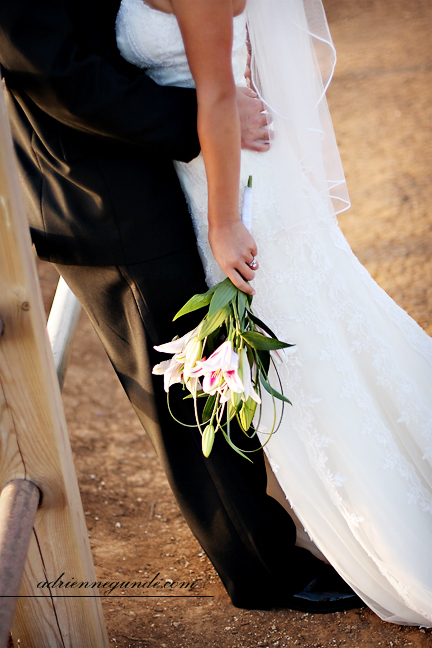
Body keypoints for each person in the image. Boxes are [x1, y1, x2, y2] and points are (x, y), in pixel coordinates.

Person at [0, 0, 361, 614]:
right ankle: (263, 568)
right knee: (185, 382)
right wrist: (190, 114)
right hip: (100, 187)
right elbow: (53, 71)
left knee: (212, 359)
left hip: (146, 159)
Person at [115, 0, 432, 626]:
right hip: (215, 162)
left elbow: (218, 97)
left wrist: (226, 222)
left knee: (308, 354)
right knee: (320, 339)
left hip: (233, 181)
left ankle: (386, 517)